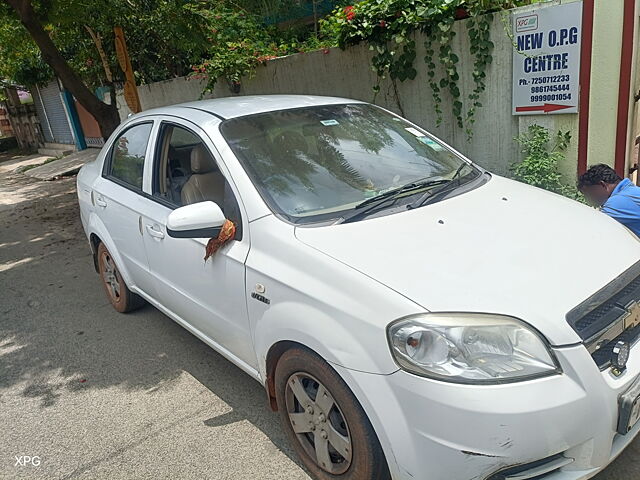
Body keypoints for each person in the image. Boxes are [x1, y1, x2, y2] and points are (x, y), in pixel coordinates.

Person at [578, 164, 640, 236]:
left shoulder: (616, 203)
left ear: (602, 185)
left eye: (589, 194)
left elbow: (590, 230)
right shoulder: (632, 191)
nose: (589, 202)